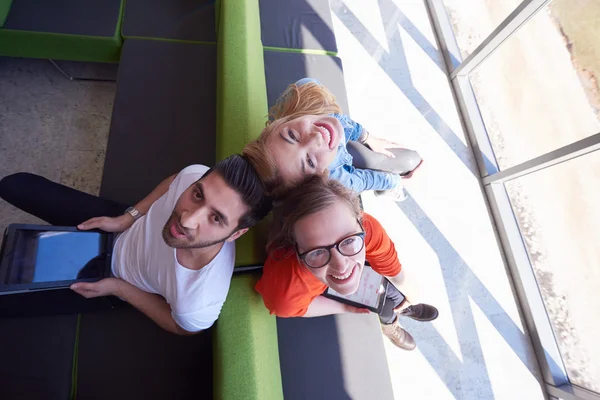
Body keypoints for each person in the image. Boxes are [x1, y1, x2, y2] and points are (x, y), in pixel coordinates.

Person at [0, 155, 272, 335]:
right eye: (197, 195)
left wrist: (119, 288)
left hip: (111, 279)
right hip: (122, 225)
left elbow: (180, 326)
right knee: (15, 185)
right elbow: (176, 179)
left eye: (216, 218)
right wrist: (128, 217)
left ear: (235, 234)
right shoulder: (194, 176)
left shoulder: (199, 303)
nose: (188, 219)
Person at [255, 176, 438, 350]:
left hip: (325, 273)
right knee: (381, 308)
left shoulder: (369, 231)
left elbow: (394, 271)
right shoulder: (285, 291)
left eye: (348, 240)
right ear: (295, 249)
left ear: (360, 221)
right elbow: (298, 307)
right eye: (317, 251)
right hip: (318, 285)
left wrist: (410, 295)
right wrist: (344, 307)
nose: (341, 266)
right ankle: (390, 324)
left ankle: (405, 308)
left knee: (395, 293)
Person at [243, 78, 422, 200]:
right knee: (411, 159)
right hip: (337, 159)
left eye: (292, 136)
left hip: (327, 135)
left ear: (280, 123)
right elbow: (366, 179)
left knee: (308, 84)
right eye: (310, 161)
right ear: (321, 175)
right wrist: (397, 182)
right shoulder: (337, 179)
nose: (315, 138)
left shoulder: (307, 108)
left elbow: (338, 121)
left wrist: (369, 138)